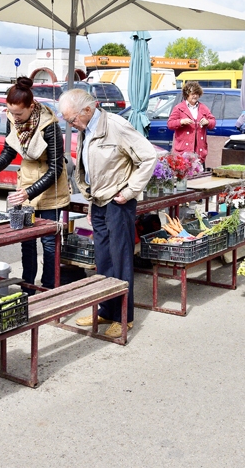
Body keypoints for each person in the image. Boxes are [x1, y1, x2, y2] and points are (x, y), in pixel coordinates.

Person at [60, 89, 157, 338]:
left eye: (72, 119)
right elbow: (93, 171)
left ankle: (124, 317)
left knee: (121, 259)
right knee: (103, 260)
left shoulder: (115, 125)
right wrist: (92, 203)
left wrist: (130, 191)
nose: (71, 124)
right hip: (100, 202)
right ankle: (106, 309)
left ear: (88, 110)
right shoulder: (87, 128)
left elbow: (148, 157)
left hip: (119, 202)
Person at [0, 77, 69, 290]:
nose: (15, 118)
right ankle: (27, 288)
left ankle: (48, 289)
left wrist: (28, 192)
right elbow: (9, 150)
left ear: (31, 107)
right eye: (11, 113)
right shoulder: (13, 119)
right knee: (26, 242)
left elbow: (55, 169)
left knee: (48, 244)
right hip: (26, 184)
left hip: (51, 190)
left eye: (19, 114)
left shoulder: (50, 126)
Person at [167, 82, 216, 163]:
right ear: (187, 94)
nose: (195, 96)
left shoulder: (203, 108)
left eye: (197, 94)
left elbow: (213, 122)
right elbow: (170, 124)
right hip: (183, 152)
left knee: (200, 175)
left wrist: (207, 122)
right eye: (192, 93)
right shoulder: (178, 108)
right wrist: (181, 121)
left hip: (199, 153)